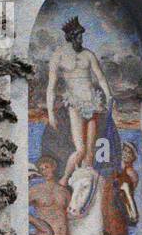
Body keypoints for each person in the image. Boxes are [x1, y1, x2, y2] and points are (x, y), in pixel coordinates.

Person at [46, 16, 115, 184]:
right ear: (70, 37)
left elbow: (100, 78)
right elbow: (51, 86)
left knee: (90, 151)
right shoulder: (59, 55)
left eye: (81, 36)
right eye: (77, 36)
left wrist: (109, 96)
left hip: (92, 102)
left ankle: (85, 185)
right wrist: (50, 114)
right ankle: (65, 179)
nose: (81, 39)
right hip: (75, 104)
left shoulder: (88, 55)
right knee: (81, 150)